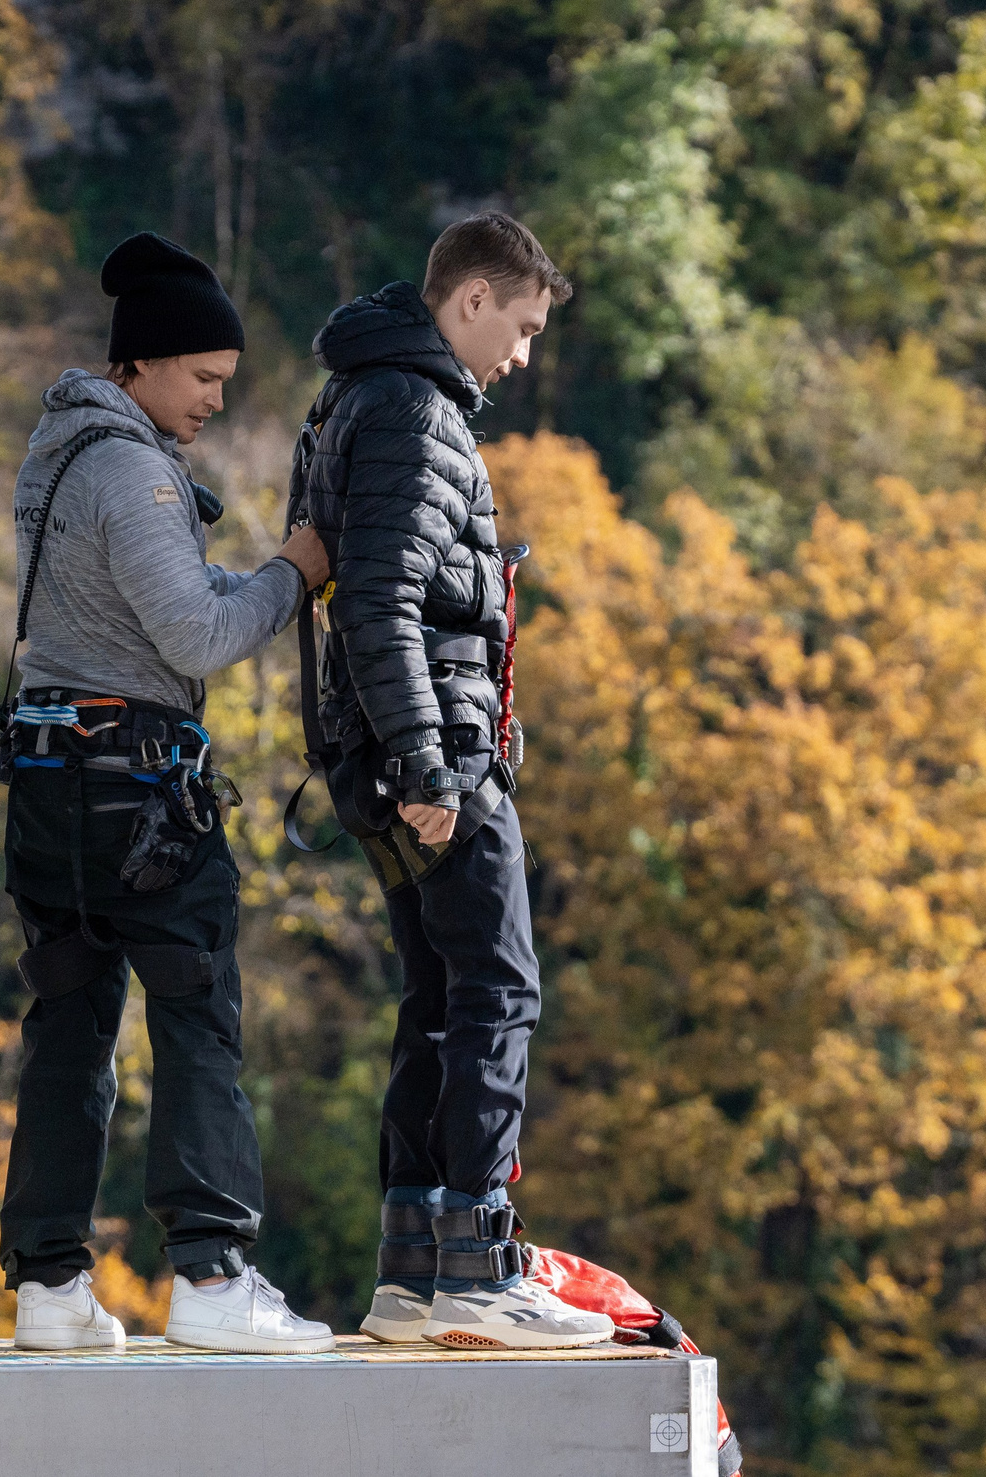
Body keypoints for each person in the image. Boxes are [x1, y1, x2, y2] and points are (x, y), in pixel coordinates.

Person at [0, 232, 335, 1357]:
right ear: (140, 366)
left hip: (48, 791)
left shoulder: (56, 452)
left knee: (69, 1028)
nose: (211, 402)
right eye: (201, 378)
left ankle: (48, 1290)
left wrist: (257, 581)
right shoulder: (131, 469)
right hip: (137, 795)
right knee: (195, 1022)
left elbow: (151, 603)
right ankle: (211, 1276)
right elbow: (195, 631)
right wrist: (298, 570)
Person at [296, 212, 616, 1350]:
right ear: (469, 299)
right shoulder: (416, 416)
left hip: (377, 755)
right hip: (430, 757)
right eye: (520, 327)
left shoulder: (354, 398)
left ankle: (414, 1275)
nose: (521, 357)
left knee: (435, 1002)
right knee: (497, 992)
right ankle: (477, 1270)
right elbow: (380, 602)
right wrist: (432, 766)